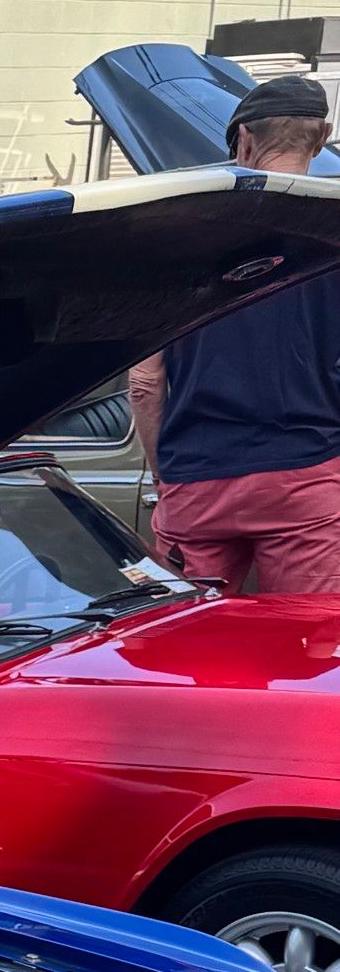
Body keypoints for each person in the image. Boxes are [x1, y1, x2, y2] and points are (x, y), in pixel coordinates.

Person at [126, 71, 340, 593]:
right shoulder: (334, 236)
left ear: (243, 139)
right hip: (306, 478)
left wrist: (165, 474)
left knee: (187, 643)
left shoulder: (178, 242)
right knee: (303, 646)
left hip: (198, 478)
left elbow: (144, 383)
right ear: (322, 137)